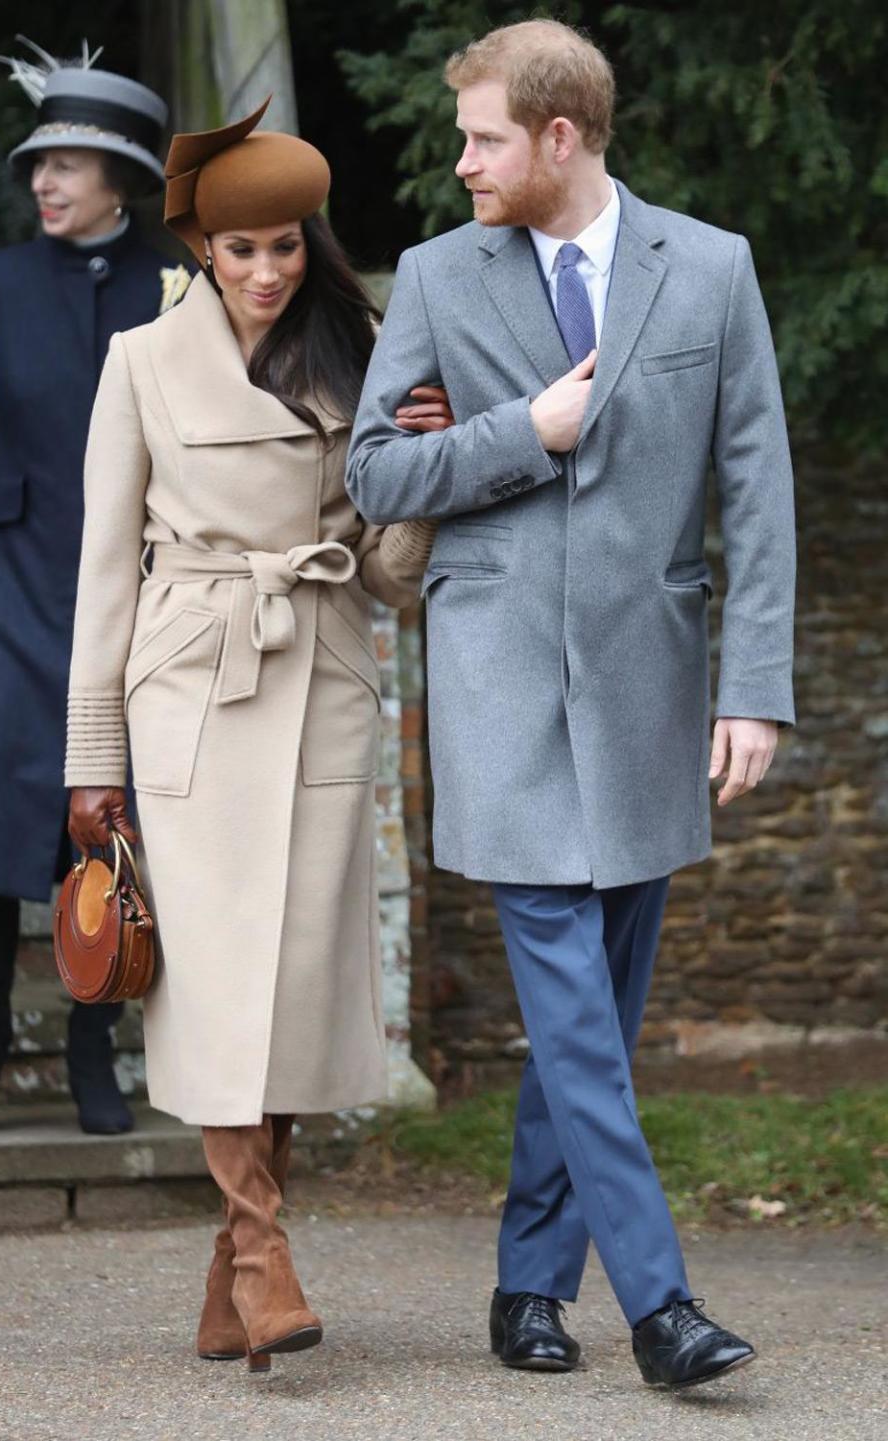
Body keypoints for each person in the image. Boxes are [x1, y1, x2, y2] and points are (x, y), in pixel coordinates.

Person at [347, 19, 795, 1391]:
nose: (463, 161)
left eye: (484, 137)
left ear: (559, 136)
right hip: (500, 696)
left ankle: (528, 1286)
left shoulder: (710, 269)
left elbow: (756, 487)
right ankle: (661, 1308)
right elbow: (375, 474)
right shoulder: (433, 274)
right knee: (580, 1011)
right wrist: (516, 438)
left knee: (584, 1014)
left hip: (654, 698)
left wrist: (755, 688)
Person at [64, 98, 452, 1369]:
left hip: (325, 669)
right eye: (242, 251)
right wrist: (92, 766)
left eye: (287, 246)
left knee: (285, 988)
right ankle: (262, 1249)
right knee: (222, 986)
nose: (269, 272)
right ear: (200, 250)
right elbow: (102, 577)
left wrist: (429, 477)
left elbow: (389, 573)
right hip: (190, 686)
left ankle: (234, 1276)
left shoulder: (361, 352)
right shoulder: (138, 363)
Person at [0, 43, 189, 1137]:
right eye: (39, 162)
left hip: (132, 587)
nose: (46, 181)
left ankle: (95, 1049)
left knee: (111, 823)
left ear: (121, 178)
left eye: (71, 164)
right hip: (10, 578)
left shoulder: (178, 283)